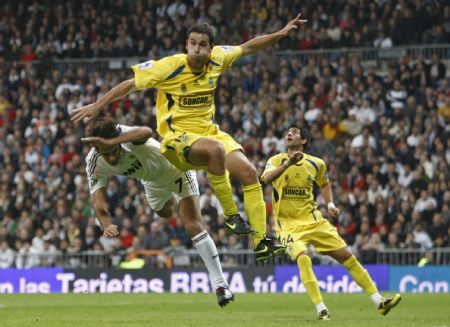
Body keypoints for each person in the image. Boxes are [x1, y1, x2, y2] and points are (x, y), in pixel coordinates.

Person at [72, 14, 307, 262]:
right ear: (187, 45)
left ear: (211, 48)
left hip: (208, 131)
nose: (196, 48)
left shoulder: (219, 59)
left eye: (202, 44)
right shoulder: (170, 66)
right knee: (215, 150)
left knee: (249, 173)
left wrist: (281, 33)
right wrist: (96, 106)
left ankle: (260, 242)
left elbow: (249, 46)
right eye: (192, 43)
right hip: (176, 138)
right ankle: (231, 216)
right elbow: (129, 85)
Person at [83, 117, 233, 307]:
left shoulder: (124, 135)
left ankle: (221, 286)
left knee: (191, 224)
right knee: (165, 213)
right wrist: (106, 224)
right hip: (152, 183)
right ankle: (175, 198)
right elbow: (98, 199)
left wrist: (111, 143)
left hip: (176, 167)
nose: (112, 157)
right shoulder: (94, 162)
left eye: (113, 151)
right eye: (106, 153)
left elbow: (146, 131)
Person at [260, 126, 401, 320]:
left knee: (348, 257)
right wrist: (287, 165)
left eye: (294, 132)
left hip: (315, 221)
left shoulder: (316, 163)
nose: (289, 134)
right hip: (287, 224)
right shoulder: (275, 160)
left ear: (304, 141)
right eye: (287, 132)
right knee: (303, 257)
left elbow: (324, 183)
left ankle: (379, 301)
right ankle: (321, 309)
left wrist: (331, 204)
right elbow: (265, 179)